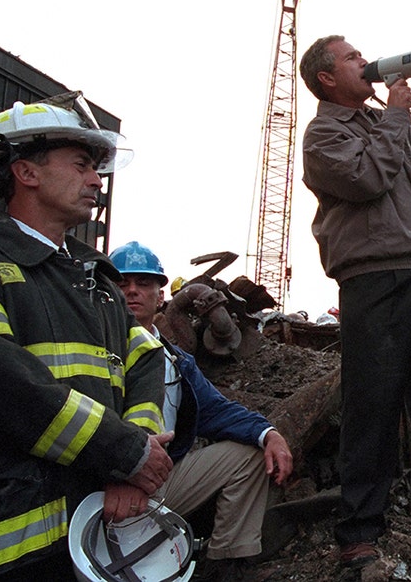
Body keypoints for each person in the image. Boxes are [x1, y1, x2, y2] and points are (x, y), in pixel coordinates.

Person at [0, 95, 174, 580]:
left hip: (81, 531)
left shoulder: (95, 279)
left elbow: (145, 359)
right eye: (81, 165)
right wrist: (125, 454)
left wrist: (137, 450)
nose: (95, 181)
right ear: (27, 173)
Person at [299, 34, 411, 568]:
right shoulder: (322, 134)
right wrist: (397, 117)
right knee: (371, 405)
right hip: (372, 283)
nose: (366, 60)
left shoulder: (382, 123)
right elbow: (365, 178)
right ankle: (359, 530)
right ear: (327, 78)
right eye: (352, 57)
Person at [110, 241, 294, 580]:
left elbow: (216, 410)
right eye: (122, 282)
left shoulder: (174, 359)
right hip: (103, 492)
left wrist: (270, 433)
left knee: (250, 454)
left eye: (144, 283)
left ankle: (225, 566)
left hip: (159, 482)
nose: (132, 291)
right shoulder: (93, 350)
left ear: (160, 295)